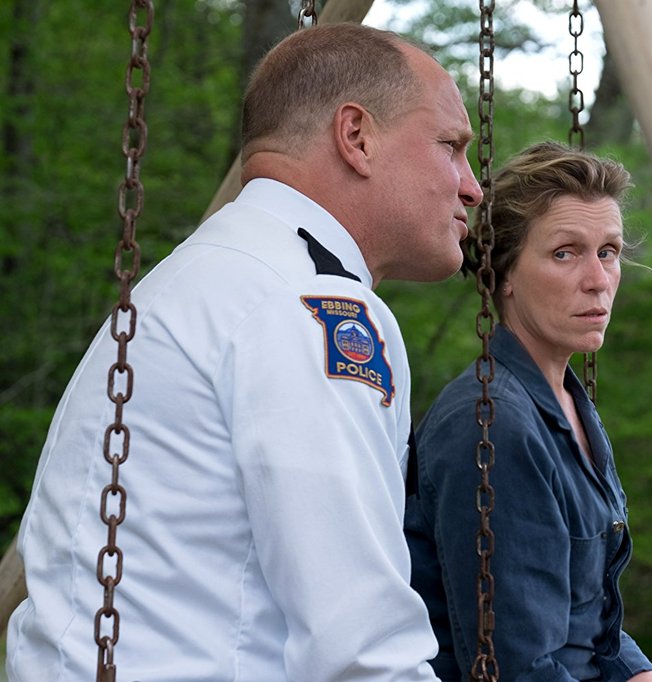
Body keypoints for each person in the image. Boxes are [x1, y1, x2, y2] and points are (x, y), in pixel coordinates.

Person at [6, 22, 482, 682]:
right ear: (357, 137)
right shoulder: (308, 305)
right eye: (451, 148)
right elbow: (363, 647)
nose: (472, 186)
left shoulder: (199, 277)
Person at [404, 142, 652, 681]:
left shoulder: (568, 401)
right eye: (565, 253)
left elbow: (591, 618)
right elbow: (519, 667)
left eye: (608, 252)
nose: (598, 279)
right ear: (505, 275)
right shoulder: (492, 422)